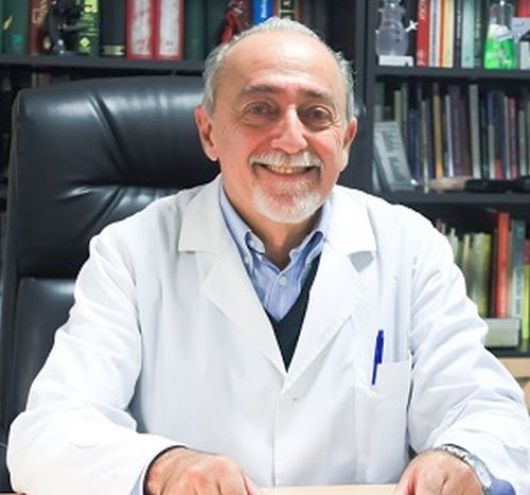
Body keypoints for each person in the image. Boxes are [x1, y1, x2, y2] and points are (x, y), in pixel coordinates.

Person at [7, 17, 530, 495]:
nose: (291, 138)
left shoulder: (410, 246)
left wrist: (463, 456)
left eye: (316, 114)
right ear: (209, 132)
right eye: (260, 109)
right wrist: (163, 467)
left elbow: (484, 407)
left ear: (346, 140)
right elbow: (48, 435)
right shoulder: (130, 252)